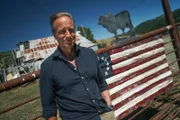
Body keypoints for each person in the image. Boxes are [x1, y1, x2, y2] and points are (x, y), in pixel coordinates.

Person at [40, 12, 116, 120]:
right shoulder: (48, 66)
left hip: (105, 115)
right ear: (54, 35)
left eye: (71, 30)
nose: (68, 35)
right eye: (62, 31)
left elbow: (101, 83)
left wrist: (109, 105)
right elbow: (49, 108)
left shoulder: (89, 54)